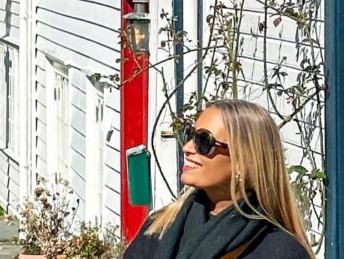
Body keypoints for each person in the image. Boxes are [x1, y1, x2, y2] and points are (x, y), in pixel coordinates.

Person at [125, 99, 313, 258]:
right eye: (189, 134)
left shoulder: (279, 251)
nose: (187, 148)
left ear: (243, 161)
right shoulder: (161, 225)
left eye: (203, 141)